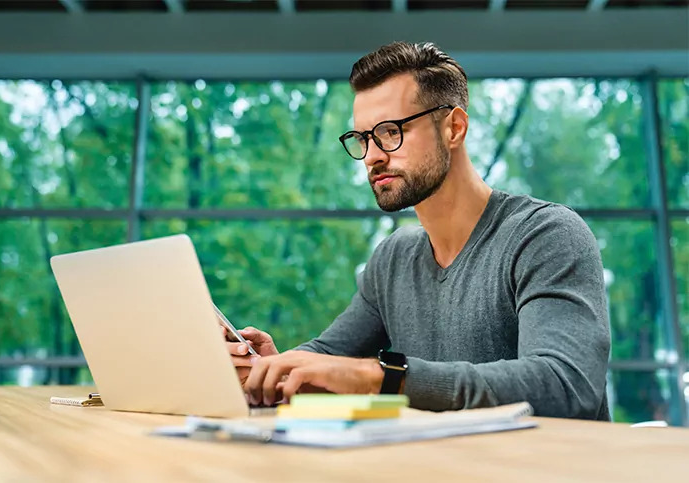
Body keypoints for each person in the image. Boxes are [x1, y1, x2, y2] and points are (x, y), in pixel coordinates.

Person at [222, 41, 611, 420]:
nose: (372, 155)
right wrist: (275, 368)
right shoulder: (394, 259)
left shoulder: (545, 235)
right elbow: (330, 359)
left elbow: (565, 387)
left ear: (454, 128)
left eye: (391, 131)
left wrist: (383, 377)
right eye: (362, 138)